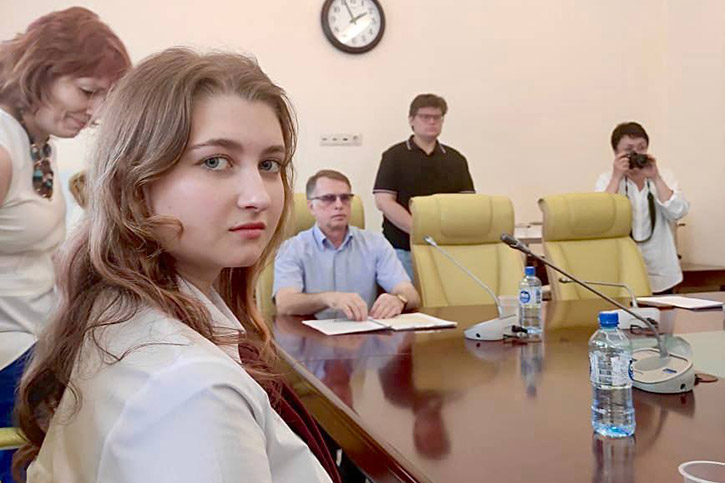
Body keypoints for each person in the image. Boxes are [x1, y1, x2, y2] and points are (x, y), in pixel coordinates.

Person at [13, 49, 338, 483]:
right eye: (215, 161)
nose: (259, 196)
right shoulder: (192, 389)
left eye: (268, 165)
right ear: (136, 181)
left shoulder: (119, 307)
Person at [0, 2, 129, 452]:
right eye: (87, 91)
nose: (94, 112)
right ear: (40, 72)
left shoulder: (38, 141)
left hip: (30, 341)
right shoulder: (3, 148)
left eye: (103, 98)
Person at [274, 169, 420, 321]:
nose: (339, 205)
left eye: (345, 198)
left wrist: (399, 299)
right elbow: (284, 303)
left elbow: (410, 293)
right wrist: (327, 298)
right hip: (311, 332)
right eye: (328, 198)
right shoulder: (292, 248)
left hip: (363, 330)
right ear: (311, 207)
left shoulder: (375, 243)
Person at [373, 93, 475, 280]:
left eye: (437, 117)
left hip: (446, 249)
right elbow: (384, 201)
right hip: (402, 249)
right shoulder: (394, 156)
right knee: (406, 297)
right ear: (411, 120)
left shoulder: (455, 159)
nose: (432, 122)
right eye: (425, 117)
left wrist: (442, 234)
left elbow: (466, 204)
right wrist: (420, 231)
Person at [595, 122, 689, 293]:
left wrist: (656, 178)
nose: (636, 154)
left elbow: (677, 212)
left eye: (641, 148)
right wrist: (616, 177)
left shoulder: (664, 176)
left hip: (661, 272)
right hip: (622, 273)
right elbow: (603, 218)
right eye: (629, 149)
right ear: (616, 152)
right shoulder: (606, 180)